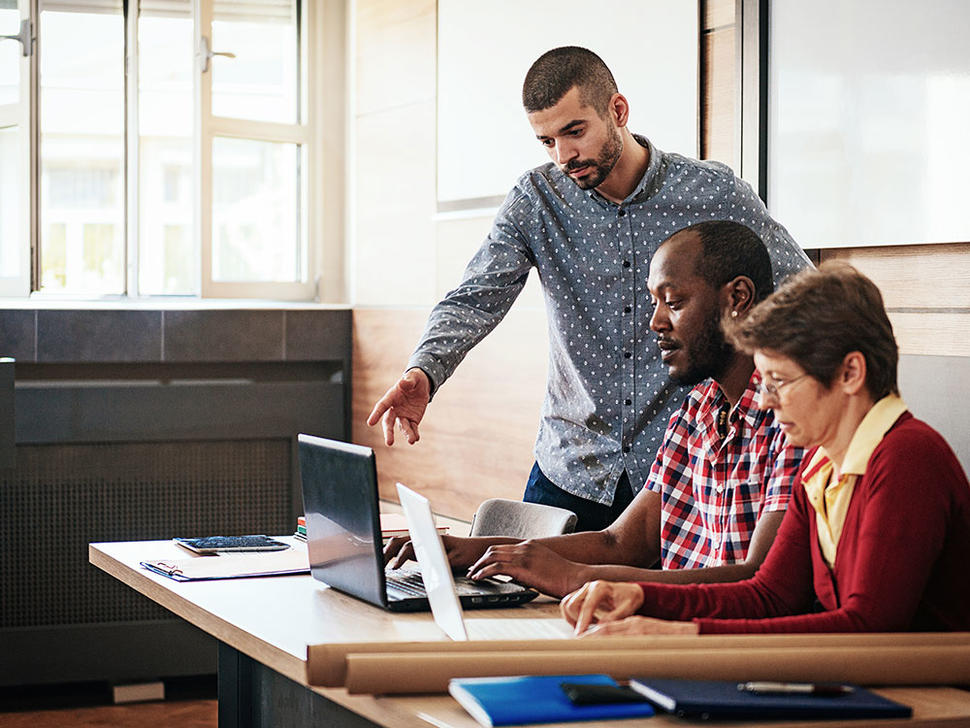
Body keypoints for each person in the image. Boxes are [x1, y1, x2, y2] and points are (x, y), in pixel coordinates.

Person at [367, 46, 810, 531]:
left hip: (682, 468)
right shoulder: (536, 200)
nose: (564, 156)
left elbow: (801, 293)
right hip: (569, 468)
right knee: (514, 596)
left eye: (574, 132)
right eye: (547, 141)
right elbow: (474, 297)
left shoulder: (712, 193)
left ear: (617, 110)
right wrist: (424, 371)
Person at [385, 221, 804, 599]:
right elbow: (622, 542)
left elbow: (759, 581)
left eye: (673, 302)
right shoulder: (697, 411)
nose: (655, 322)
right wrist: (473, 548)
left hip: (723, 650)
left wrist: (577, 578)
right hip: (669, 635)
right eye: (653, 302)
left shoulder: (793, 418)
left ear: (738, 298)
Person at [561, 263, 970, 634]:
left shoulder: (907, 457)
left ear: (850, 373)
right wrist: (643, 598)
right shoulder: (820, 464)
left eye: (780, 383)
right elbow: (769, 594)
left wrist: (682, 635)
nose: (766, 401)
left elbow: (866, 627)